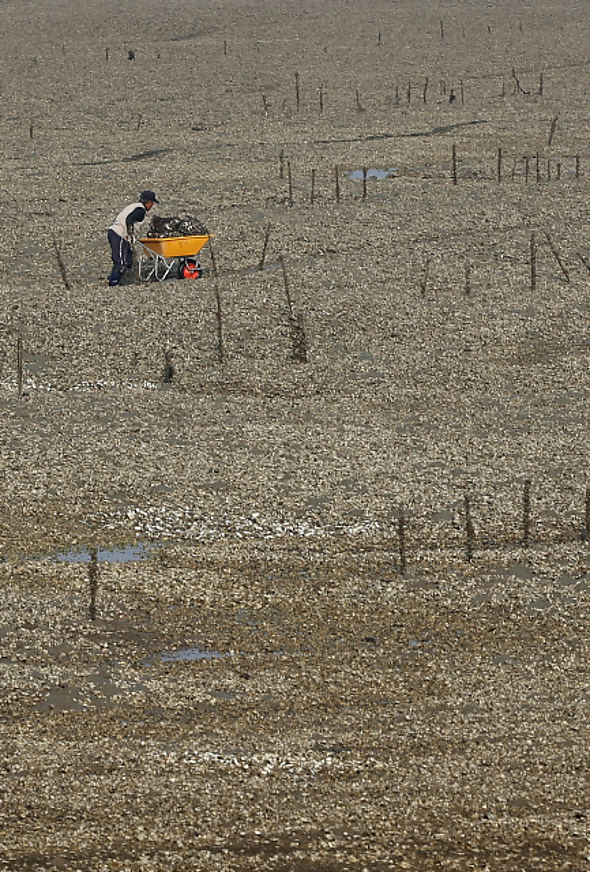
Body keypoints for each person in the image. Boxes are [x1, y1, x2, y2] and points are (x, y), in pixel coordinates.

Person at [107, 190, 159, 286]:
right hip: (119, 234)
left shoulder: (134, 206)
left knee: (128, 260)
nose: (151, 206)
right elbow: (129, 219)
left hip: (117, 233)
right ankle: (113, 283)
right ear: (148, 202)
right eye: (151, 203)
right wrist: (130, 233)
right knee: (121, 262)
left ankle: (116, 278)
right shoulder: (141, 210)